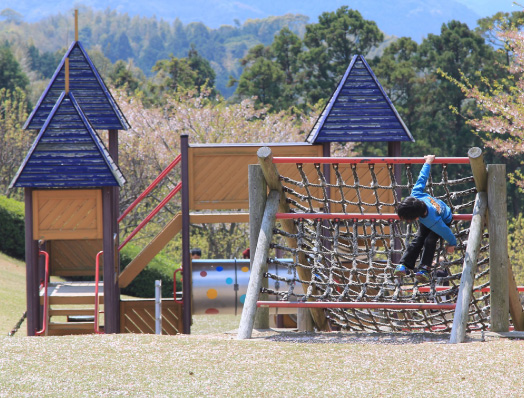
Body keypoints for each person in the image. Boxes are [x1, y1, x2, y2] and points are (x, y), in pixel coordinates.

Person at [393, 155, 456, 283]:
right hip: (428, 215)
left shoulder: (435, 222)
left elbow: (446, 231)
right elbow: (422, 178)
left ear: (416, 217)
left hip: (443, 219)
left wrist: (452, 244)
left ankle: (424, 269)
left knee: (429, 241)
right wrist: (428, 162)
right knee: (417, 240)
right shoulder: (415, 195)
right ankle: (404, 264)